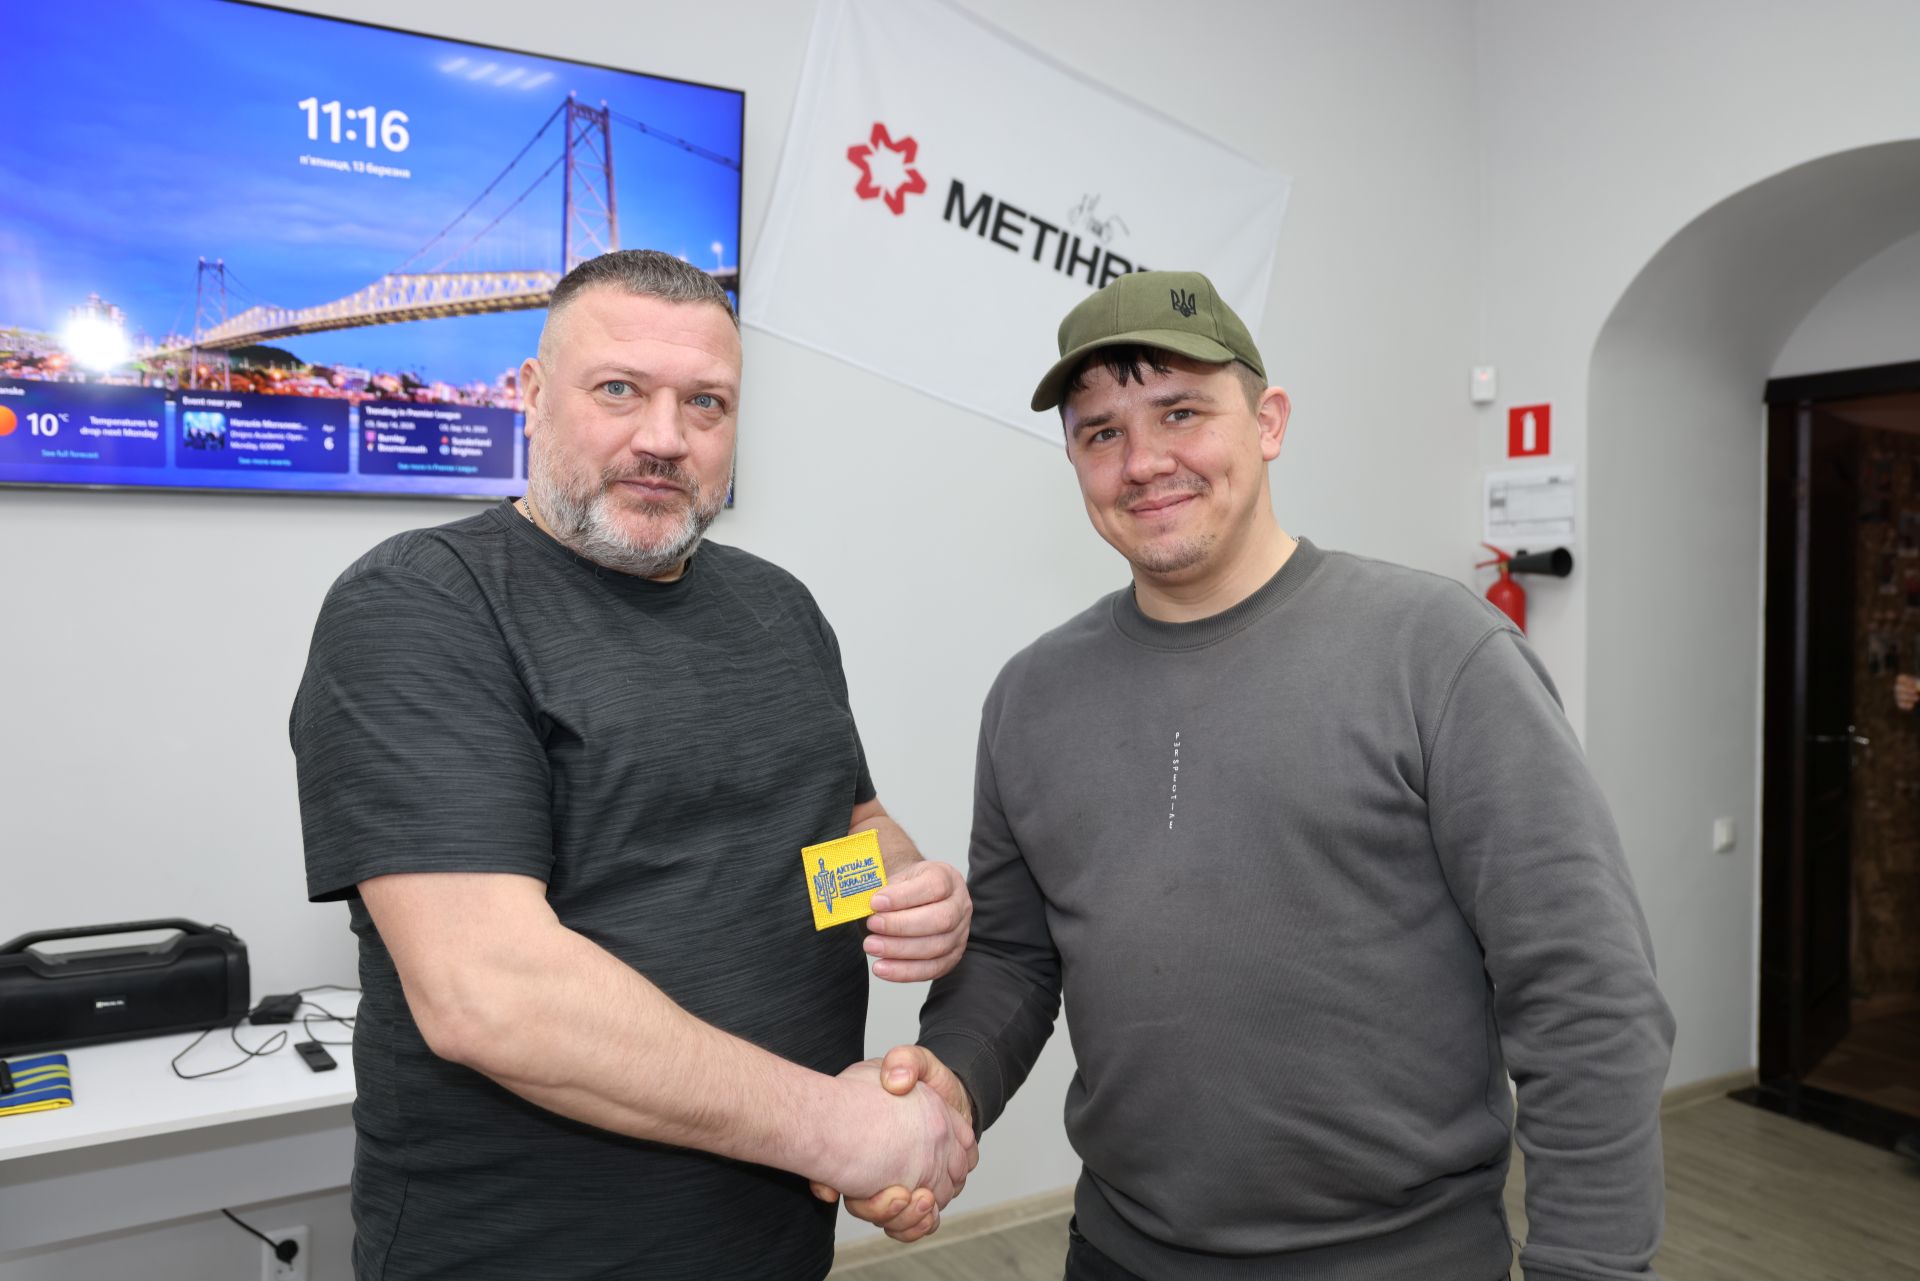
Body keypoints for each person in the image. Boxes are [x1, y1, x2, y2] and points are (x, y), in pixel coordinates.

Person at [837, 271, 1677, 1280]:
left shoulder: (1438, 652)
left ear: (1269, 421)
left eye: (1181, 412)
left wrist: (1589, 1265)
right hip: (1119, 1255)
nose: (1144, 461)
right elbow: (1014, 956)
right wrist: (953, 1082)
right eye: (1101, 432)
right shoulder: (1031, 695)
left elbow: (1583, 989)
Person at [291, 249, 975, 1281]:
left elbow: (822, 842)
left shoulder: (779, 609)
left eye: (706, 402)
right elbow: (491, 991)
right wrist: (843, 1132)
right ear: (531, 394)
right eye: (619, 389)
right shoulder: (420, 606)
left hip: (773, 1240)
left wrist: (901, 889)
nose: (664, 437)